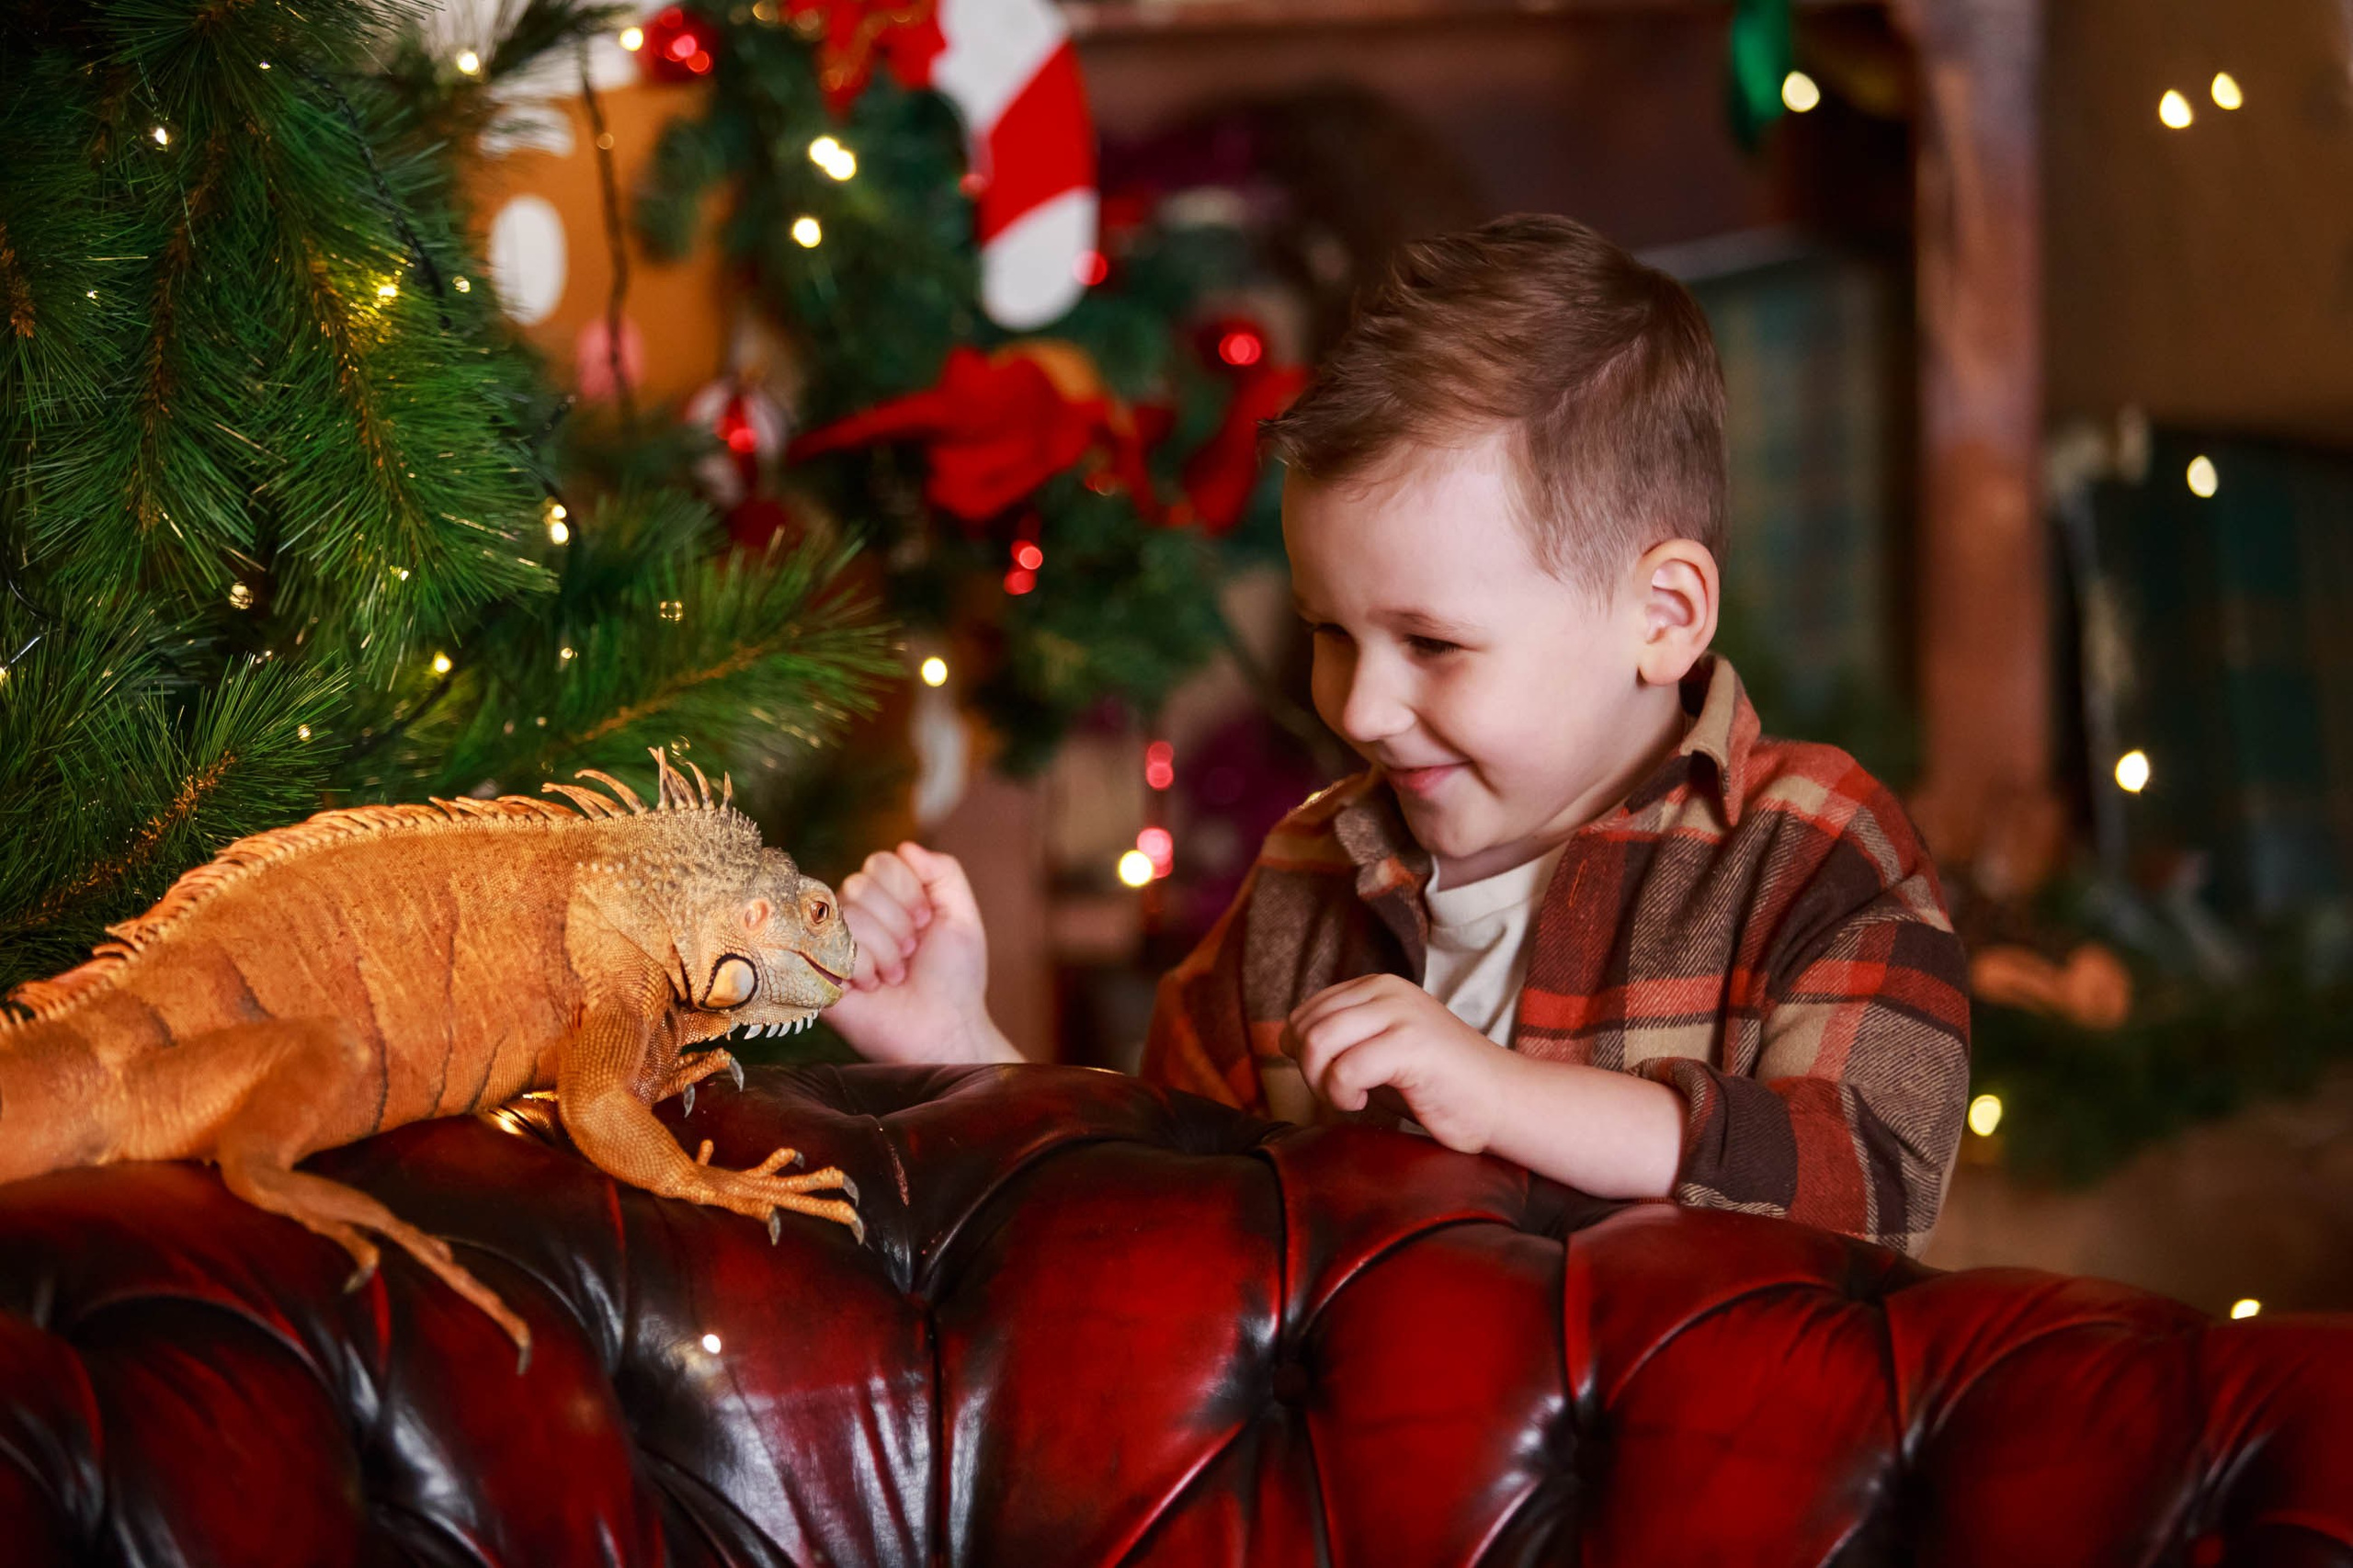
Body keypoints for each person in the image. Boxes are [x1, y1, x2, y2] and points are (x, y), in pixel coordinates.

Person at [825, 214, 1970, 1256]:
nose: (1359, 710)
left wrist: (1496, 1091)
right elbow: (1158, 1228)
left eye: (1431, 644)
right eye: (1329, 631)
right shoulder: (1305, 883)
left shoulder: (1805, 847)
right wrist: (970, 1047)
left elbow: (1863, 1172)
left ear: (1661, 616)